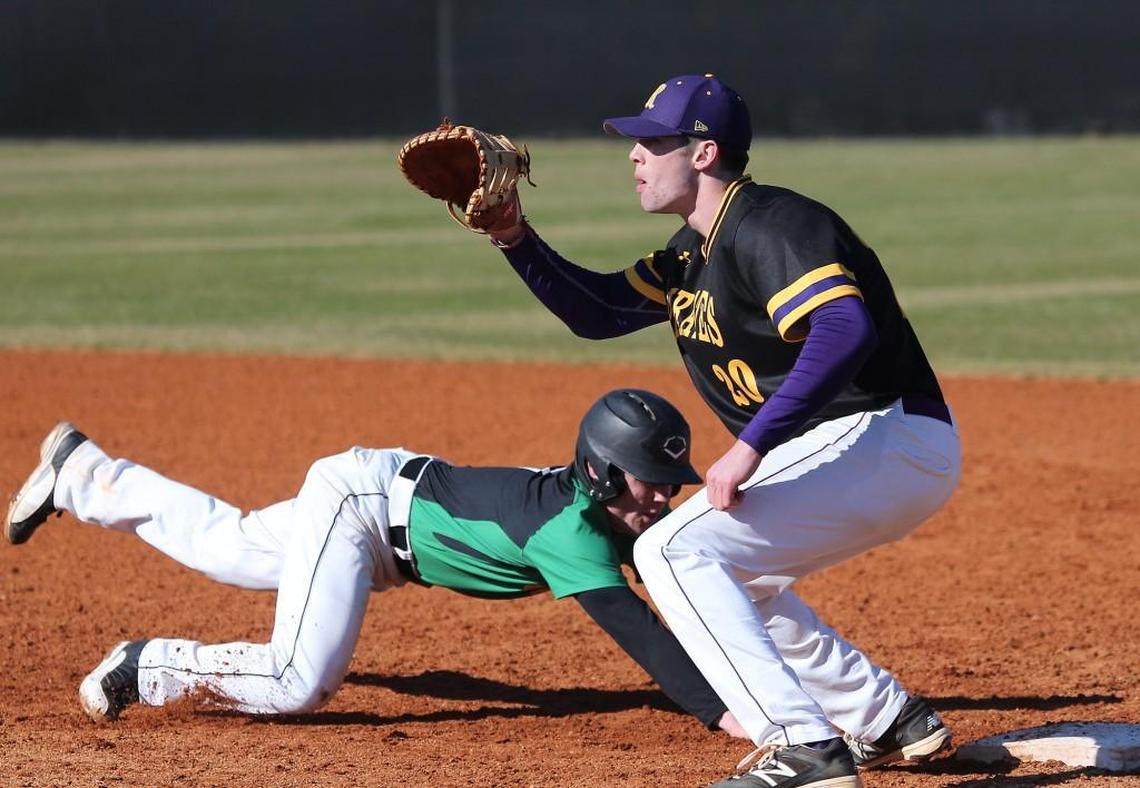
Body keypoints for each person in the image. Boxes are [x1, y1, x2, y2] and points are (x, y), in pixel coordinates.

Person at [483, 74, 962, 788]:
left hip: (885, 433)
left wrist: (749, 444)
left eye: (652, 141)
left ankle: (804, 749)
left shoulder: (771, 223)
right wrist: (513, 236)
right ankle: (886, 718)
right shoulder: (689, 252)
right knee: (733, 576)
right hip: (854, 447)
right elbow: (600, 311)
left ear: (703, 153)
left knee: (670, 551)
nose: (635, 156)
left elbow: (843, 326)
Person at [5, 388, 745, 739]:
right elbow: (648, 636)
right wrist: (728, 712)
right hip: (362, 511)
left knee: (224, 546)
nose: (666, 496)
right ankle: (149, 664)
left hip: (374, 493)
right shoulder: (574, 536)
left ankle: (84, 473)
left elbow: (685, 587)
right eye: (654, 481)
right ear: (608, 475)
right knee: (299, 682)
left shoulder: (607, 510)